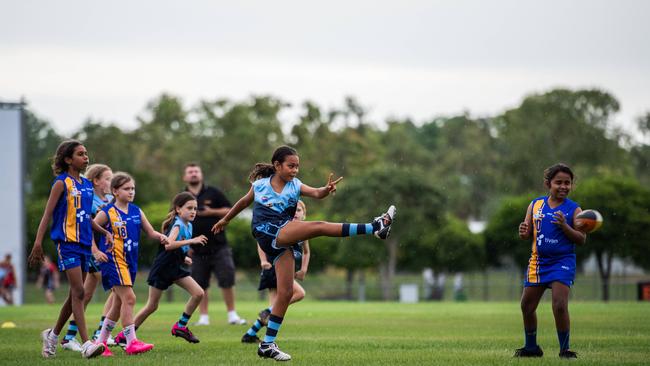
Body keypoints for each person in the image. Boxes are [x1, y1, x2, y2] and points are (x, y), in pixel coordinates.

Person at [212, 146, 396, 361]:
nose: (295, 170)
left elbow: (317, 193)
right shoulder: (260, 185)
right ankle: (375, 227)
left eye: (297, 166)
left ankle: (267, 344)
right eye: (291, 166)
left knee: (286, 292)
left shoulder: (295, 185)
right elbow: (243, 203)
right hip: (265, 229)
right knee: (318, 226)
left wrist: (325, 190)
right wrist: (225, 219)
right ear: (277, 165)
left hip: (282, 236)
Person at [27, 140, 108, 359]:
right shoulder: (61, 183)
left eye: (86, 153)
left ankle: (52, 336)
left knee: (76, 294)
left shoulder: (86, 185)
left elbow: (86, 218)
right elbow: (47, 214)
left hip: (83, 244)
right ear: (68, 159)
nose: (86, 157)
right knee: (80, 292)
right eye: (81, 154)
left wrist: (104, 231)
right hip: (67, 244)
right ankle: (87, 345)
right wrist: (37, 242)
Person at [113, 192, 207, 347]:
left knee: (198, 293)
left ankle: (180, 326)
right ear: (178, 209)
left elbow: (175, 247)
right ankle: (124, 336)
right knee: (152, 306)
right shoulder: (177, 224)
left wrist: (183, 257)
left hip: (174, 267)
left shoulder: (189, 225)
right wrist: (193, 240)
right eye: (189, 208)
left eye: (195, 209)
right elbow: (168, 245)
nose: (193, 211)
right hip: (163, 268)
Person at [514, 163, 586, 359]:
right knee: (526, 306)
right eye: (559, 182)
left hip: (562, 262)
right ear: (548, 184)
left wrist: (565, 226)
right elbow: (527, 233)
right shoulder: (535, 205)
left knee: (560, 305)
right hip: (538, 262)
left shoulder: (574, 209)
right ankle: (531, 348)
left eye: (568, 183)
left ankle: (565, 350)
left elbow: (581, 239)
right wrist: (523, 232)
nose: (563, 186)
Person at [94, 172, 167, 356]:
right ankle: (131, 342)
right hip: (113, 260)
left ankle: (100, 343)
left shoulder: (136, 210)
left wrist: (162, 237)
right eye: (127, 189)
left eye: (133, 188)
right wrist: (95, 250)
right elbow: (88, 229)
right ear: (115, 191)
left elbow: (151, 232)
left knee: (118, 305)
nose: (131, 192)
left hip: (129, 262)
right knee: (130, 298)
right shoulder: (107, 212)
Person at [60, 164, 117, 351]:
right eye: (107, 178)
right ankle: (101, 334)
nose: (111, 182)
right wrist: (94, 250)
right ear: (96, 181)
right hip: (93, 250)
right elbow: (87, 227)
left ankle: (68, 337)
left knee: (86, 294)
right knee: (117, 288)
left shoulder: (110, 199)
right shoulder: (89, 198)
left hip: (106, 251)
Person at [183, 163, 246, 325]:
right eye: (190, 172)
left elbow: (230, 210)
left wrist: (211, 212)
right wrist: (185, 245)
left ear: (201, 174)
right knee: (199, 283)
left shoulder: (214, 192)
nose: (193, 174)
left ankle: (232, 315)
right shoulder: (182, 197)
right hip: (195, 249)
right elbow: (176, 221)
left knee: (227, 279)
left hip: (219, 246)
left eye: (196, 171)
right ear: (185, 177)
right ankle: (204, 317)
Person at [241, 200, 310, 344]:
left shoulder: (303, 231)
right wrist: (263, 261)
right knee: (298, 294)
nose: (296, 213)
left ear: (304, 214)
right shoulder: (282, 226)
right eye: (293, 210)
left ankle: (250, 335)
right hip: (273, 267)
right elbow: (261, 242)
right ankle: (266, 337)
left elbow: (306, 252)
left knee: (272, 311)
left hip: (285, 270)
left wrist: (303, 269)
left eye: (299, 210)